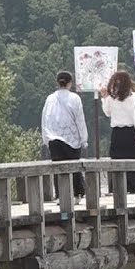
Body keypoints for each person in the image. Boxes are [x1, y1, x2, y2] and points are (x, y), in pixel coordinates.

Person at [41, 70, 89, 204]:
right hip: (71, 138)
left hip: (54, 138)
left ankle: (61, 196)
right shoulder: (74, 98)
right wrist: (84, 139)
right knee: (74, 167)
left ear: (58, 83)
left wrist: (46, 139)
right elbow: (80, 120)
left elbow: (45, 118)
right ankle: (76, 194)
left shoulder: (50, 98)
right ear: (70, 83)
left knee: (59, 168)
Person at [99, 71, 135, 194]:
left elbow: (107, 112)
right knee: (134, 161)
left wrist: (104, 98)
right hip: (131, 133)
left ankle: (118, 189)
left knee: (117, 161)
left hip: (117, 134)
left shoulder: (112, 98)